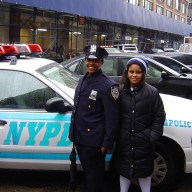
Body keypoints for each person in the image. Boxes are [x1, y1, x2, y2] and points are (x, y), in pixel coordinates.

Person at [69, 45, 120, 192]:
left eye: (95, 61)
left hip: (94, 142)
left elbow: (112, 118)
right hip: (81, 138)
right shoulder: (83, 79)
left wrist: (107, 143)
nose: (91, 64)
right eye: (89, 60)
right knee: (89, 174)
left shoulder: (108, 86)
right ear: (85, 61)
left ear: (101, 63)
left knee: (94, 177)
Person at [114, 57, 166, 192]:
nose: (134, 75)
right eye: (131, 71)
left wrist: (152, 135)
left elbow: (159, 116)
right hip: (125, 140)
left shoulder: (152, 92)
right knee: (124, 170)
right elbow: (114, 114)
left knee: (144, 171)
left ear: (143, 74)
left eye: (138, 72)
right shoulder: (120, 91)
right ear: (127, 72)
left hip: (144, 141)